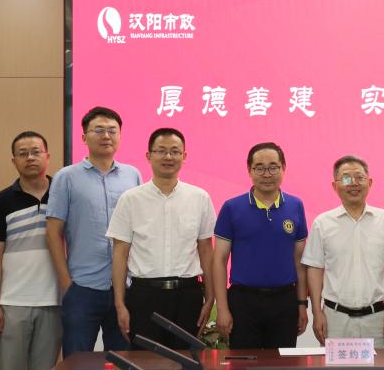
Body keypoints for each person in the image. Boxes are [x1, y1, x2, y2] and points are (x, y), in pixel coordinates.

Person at [107, 127, 215, 349]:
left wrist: (211, 297)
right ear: (149, 156)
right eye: (161, 151)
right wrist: (120, 304)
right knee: (145, 364)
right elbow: (120, 254)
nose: (168, 157)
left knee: (186, 364)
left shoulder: (199, 198)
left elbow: (206, 250)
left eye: (175, 151)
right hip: (144, 296)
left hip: (187, 296)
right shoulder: (130, 199)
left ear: (184, 156)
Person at [46, 106, 141, 357]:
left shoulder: (132, 175)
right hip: (82, 286)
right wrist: (66, 283)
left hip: (125, 286)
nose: (106, 136)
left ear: (120, 136)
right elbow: (53, 232)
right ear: (83, 137)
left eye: (112, 130)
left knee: (123, 362)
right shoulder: (66, 177)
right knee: (77, 363)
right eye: (98, 130)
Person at [0, 130, 62, 370]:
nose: (30, 157)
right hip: (13, 303)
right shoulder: (2, 201)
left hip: (53, 302)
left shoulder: (63, 195)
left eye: (36, 151)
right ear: (14, 161)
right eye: (23, 153)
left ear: (47, 156)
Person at [212, 142, 309, 349]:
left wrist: (302, 304)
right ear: (249, 170)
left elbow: (300, 262)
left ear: (283, 168)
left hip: (284, 301)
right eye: (259, 168)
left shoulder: (295, 206)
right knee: (244, 363)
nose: (267, 174)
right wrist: (222, 308)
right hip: (243, 301)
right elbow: (219, 260)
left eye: (273, 167)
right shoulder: (231, 207)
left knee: (282, 364)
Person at [303, 155, 384, 347]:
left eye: (359, 177)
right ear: (334, 186)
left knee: (377, 367)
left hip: (376, 319)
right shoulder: (322, 223)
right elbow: (315, 268)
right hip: (335, 319)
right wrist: (316, 312)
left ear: (370, 182)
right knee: (335, 368)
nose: (353, 184)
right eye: (346, 178)